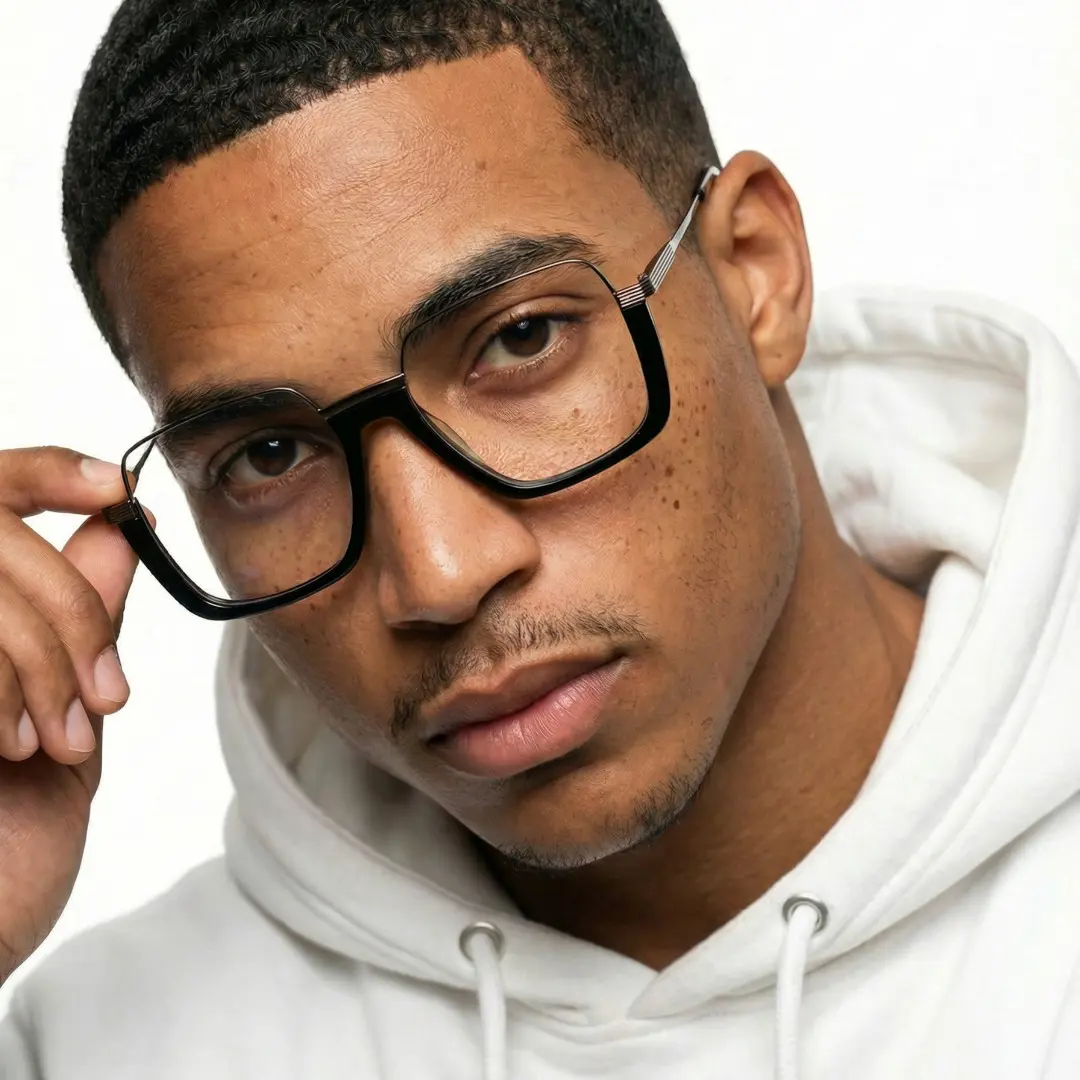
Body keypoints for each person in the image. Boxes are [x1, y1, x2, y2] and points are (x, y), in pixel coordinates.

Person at [1, 1, 1078, 1077]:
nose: (440, 574)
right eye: (269, 457)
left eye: (521, 341)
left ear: (757, 270)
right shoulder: (97, 1044)